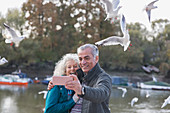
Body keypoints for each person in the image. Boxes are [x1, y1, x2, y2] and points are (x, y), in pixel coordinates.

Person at [65, 44, 112, 113]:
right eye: (80, 59)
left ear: (96, 59)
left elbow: (102, 93)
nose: (83, 62)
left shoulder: (104, 77)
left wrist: (82, 90)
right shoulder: (79, 75)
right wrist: (54, 84)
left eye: (87, 58)